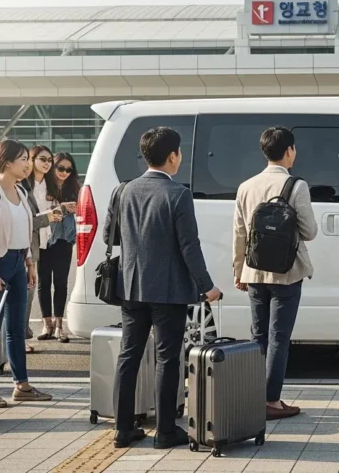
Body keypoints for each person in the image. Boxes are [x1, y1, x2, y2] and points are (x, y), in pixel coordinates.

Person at [104, 126, 221, 449]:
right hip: (168, 291)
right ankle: (166, 431)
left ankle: (123, 429)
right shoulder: (178, 194)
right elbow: (189, 247)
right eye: (179, 152)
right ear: (173, 156)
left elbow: (108, 238)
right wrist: (207, 286)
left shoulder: (123, 190)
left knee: (129, 356)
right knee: (168, 358)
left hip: (130, 286)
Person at [232, 126, 317, 420]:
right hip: (286, 272)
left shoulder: (246, 186)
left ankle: (255, 396)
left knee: (258, 336)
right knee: (279, 337)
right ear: (289, 151)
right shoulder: (297, 186)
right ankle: (272, 401)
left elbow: (240, 233)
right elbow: (310, 232)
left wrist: (238, 270)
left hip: (254, 272)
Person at [0, 139, 52, 407]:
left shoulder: (20, 191)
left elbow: (26, 231)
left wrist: (29, 264)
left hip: (19, 261)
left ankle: (22, 385)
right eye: (23, 159)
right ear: (7, 163)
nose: (28, 164)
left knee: (17, 327)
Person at [20, 146, 62, 354]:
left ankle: (21, 334)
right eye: (42, 159)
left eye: (49, 160)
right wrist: (49, 216)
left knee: (31, 287)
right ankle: (20, 336)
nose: (47, 163)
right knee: (27, 290)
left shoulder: (50, 184)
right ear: (32, 159)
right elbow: (27, 219)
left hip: (46, 240)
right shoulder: (23, 185)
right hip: (25, 242)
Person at [35, 152, 79, 343]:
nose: (64, 172)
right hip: (45, 238)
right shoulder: (43, 185)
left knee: (61, 282)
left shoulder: (74, 187)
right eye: (61, 168)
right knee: (43, 282)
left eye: (68, 169)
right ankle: (47, 324)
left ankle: (60, 325)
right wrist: (62, 207)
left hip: (64, 239)